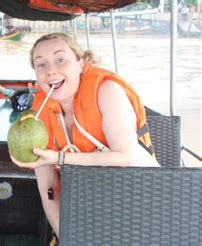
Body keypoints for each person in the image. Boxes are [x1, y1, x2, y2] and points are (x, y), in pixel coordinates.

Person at [10, 33, 160, 238]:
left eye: (60, 60)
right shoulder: (40, 113)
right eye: (41, 65)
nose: (51, 70)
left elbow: (126, 157)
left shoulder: (107, 91)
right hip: (91, 202)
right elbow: (48, 190)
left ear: (81, 63)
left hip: (141, 196)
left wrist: (59, 158)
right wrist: (66, 238)